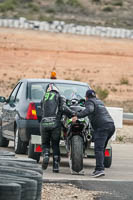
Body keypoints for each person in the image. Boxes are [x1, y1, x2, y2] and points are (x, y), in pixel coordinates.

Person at [72, 89, 115, 178]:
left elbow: (89, 109)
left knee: (98, 149)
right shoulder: (99, 102)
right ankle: (99, 168)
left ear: (86, 97)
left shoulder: (89, 102)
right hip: (111, 126)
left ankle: (99, 170)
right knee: (101, 149)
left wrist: (77, 116)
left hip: (102, 127)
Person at [40, 83, 75, 173]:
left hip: (44, 124)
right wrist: (72, 115)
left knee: (45, 144)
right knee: (55, 145)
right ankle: (55, 166)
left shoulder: (44, 97)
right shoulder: (60, 96)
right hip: (55, 124)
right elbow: (63, 108)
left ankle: (46, 156)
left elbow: (40, 111)